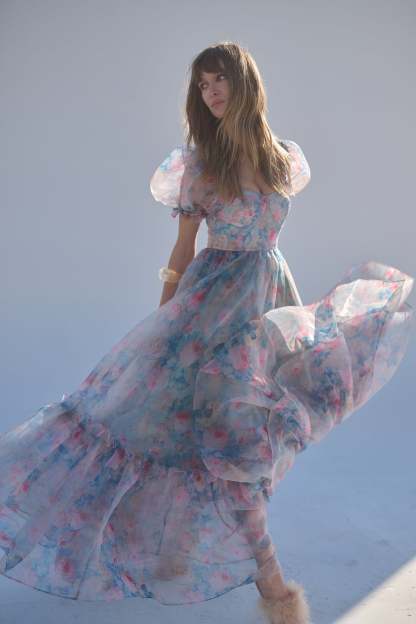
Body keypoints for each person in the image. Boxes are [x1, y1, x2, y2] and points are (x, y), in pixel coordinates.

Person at [0, 41, 413, 624]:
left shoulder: (282, 160)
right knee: (208, 439)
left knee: (246, 442)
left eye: (219, 80)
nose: (211, 92)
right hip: (210, 307)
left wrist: (287, 318)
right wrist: (162, 320)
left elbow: (268, 245)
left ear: (244, 85)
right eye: (202, 84)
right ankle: (274, 589)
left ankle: (188, 558)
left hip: (266, 303)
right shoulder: (199, 166)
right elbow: (182, 250)